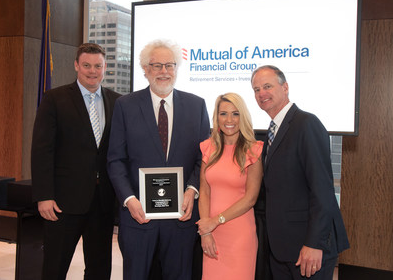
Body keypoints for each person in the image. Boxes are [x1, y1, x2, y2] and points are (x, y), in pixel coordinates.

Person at [107, 39, 210, 280]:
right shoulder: (125, 105)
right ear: (145, 70)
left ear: (176, 68)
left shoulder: (197, 106)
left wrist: (192, 189)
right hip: (138, 216)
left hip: (181, 219)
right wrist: (129, 199)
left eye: (169, 65)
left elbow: (203, 157)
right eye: (156, 66)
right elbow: (115, 160)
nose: (164, 71)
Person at [31, 43, 121, 280]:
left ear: (105, 67)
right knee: (54, 267)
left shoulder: (117, 101)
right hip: (63, 203)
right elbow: (42, 150)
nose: (92, 71)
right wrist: (44, 195)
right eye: (87, 65)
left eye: (98, 66)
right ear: (76, 66)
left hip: (103, 203)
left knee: (100, 269)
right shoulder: (54, 99)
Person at [251, 65, 350, 280]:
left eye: (267, 86)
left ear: (285, 87)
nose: (261, 94)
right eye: (256, 89)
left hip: (308, 247)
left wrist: (314, 243)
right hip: (284, 248)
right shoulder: (273, 129)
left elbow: (322, 191)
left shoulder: (306, 124)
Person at [196, 92, 263, 279]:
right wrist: (205, 232)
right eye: (223, 113)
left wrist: (215, 221)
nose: (229, 119)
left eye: (235, 113)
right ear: (216, 117)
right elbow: (204, 191)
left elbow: (250, 199)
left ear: (243, 116)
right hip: (211, 233)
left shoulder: (253, 150)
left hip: (239, 236)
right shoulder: (208, 147)